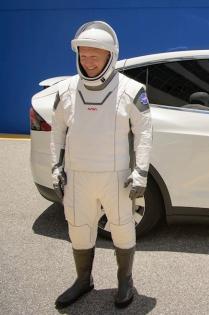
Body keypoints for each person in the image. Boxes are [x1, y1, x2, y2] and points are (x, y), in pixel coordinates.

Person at [50, 21, 152, 309]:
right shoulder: (67, 90)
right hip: (77, 177)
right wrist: (56, 167)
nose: (88, 61)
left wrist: (140, 171)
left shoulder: (131, 90)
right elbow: (57, 130)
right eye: (83, 55)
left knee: (122, 227)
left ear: (111, 55)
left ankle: (125, 282)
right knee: (79, 229)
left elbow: (145, 132)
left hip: (116, 177)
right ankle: (83, 280)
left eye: (95, 56)